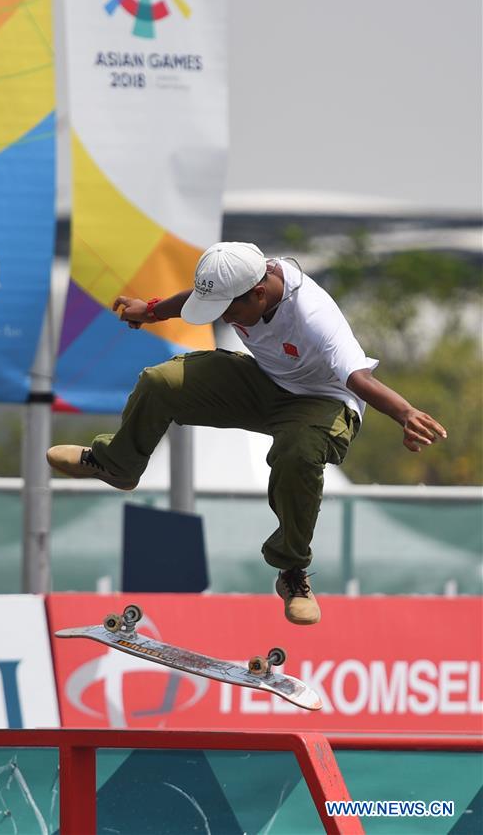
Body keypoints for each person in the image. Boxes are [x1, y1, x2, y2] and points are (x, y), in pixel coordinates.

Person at [47, 242, 447, 625]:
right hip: (267, 384)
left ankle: (292, 571)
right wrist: (151, 311)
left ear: (259, 294)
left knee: (298, 451)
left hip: (326, 403)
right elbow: (198, 296)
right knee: (161, 381)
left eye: (228, 310)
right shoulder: (241, 275)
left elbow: (357, 377)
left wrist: (405, 413)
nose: (224, 318)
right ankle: (117, 465)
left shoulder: (313, 314)